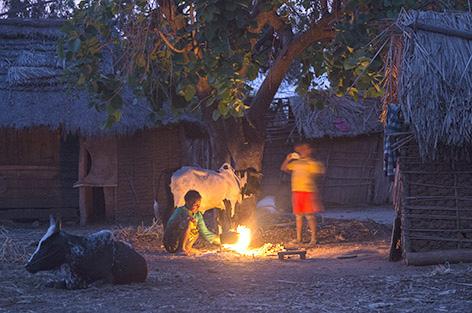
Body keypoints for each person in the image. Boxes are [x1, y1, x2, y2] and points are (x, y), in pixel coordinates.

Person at [280, 141, 325, 246]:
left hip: (308, 192)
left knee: (309, 216)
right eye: (300, 150)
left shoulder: (312, 163)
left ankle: (313, 239)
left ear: (310, 151)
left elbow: (319, 172)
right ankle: (299, 239)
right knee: (298, 216)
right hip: (296, 191)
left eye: (305, 149)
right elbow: (283, 168)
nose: (302, 152)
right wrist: (288, 159)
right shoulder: (296, 163)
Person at [163, 190, 220, 255]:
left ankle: (187, 248)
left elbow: (205, 232)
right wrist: (189, 220)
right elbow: (171, 227)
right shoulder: (180, 211)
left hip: (181, 238)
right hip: (171, 241)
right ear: (187, 202)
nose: (198, 207)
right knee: (189, 223)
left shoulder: (198, 215)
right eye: (195, 204)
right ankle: (181, 249)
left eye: (199, 204)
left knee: (196, 230)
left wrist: (220, 240)